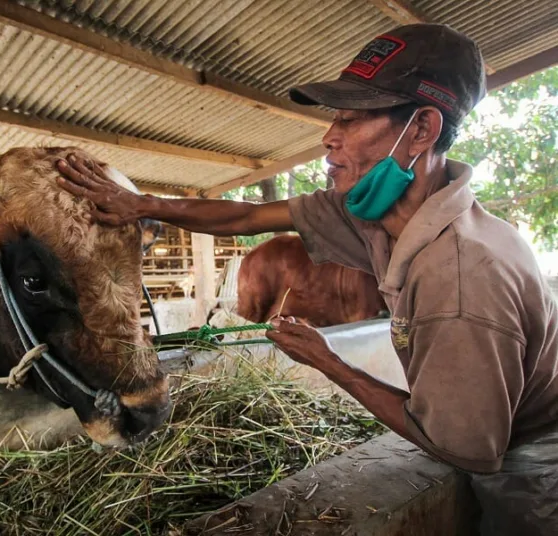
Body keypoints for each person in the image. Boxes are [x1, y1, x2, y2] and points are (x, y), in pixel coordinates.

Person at [56, 23, 558, 535]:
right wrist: (142, 204)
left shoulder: (461, 274)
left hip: (536, 463)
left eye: (351, 119)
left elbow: (462, 448)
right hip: (494, 430)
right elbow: (245, 218)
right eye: (333, 117)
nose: (328, 137)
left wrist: (327, 361)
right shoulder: (376, 214)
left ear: (423, 129)